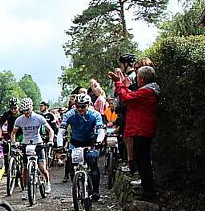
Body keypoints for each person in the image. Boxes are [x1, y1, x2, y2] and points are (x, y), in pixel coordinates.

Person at [109, 66, 159, 200]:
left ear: (142, 79)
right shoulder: (148, 90)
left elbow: (127, 98)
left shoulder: (147, 92)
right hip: (141, 129)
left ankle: (149, 191)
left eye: (138, 78)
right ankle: (147, 187)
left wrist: (118, 83)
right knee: (142, 159)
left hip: (142, 129)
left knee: (143, 160)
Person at [57, 93, 106, 201]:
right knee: (70, 163)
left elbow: (101, 130)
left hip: (91, 141)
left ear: (88, 105)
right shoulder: (70, 114)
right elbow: (61, 132)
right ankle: (77, 187)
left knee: (92, 163)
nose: (79, 109)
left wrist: (99, 141)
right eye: (77, 106)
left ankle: (95, 191)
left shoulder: (95, 114)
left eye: (83, 106)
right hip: (75, 141)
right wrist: (60, 146)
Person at [11, 98, 54, 195]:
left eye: (28, 110)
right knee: (25, 169)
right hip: (26, 144)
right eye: (24, 111)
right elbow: (13, 133)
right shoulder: (19, 119)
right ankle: (25, 190)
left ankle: (47, 183)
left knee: (42, 168)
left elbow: (50, 130)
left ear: (31, 108)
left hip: (38, 143)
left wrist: (50, 140)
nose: (26, 113)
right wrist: (14, 143)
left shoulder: (39, 117)